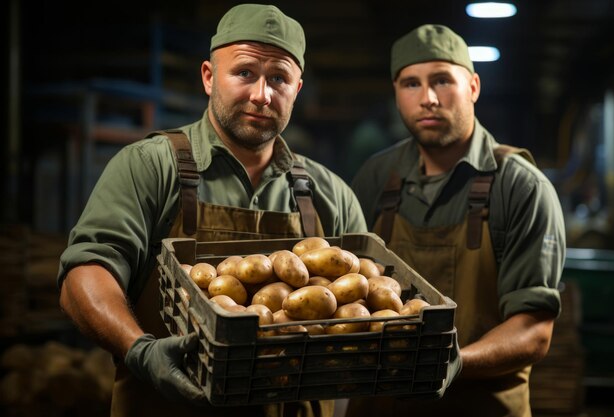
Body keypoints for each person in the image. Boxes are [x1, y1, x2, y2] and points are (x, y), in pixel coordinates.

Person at [57, 4, 366, 417]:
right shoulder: (150, 166)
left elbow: (369, 308)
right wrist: (139, 349)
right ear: (208, 77)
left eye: (278, 78)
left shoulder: (331, 194)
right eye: (244, 73)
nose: (261, 94)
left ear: (297, 88)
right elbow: (86, 271)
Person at [346, 24, 565, 417]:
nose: (427, 98)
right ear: (396, 93)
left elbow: (534, 329)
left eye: (442, 80)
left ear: (474, 87)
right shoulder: (377, 177)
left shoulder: (520, 186)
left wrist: (455, 363)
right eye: (410, 83)